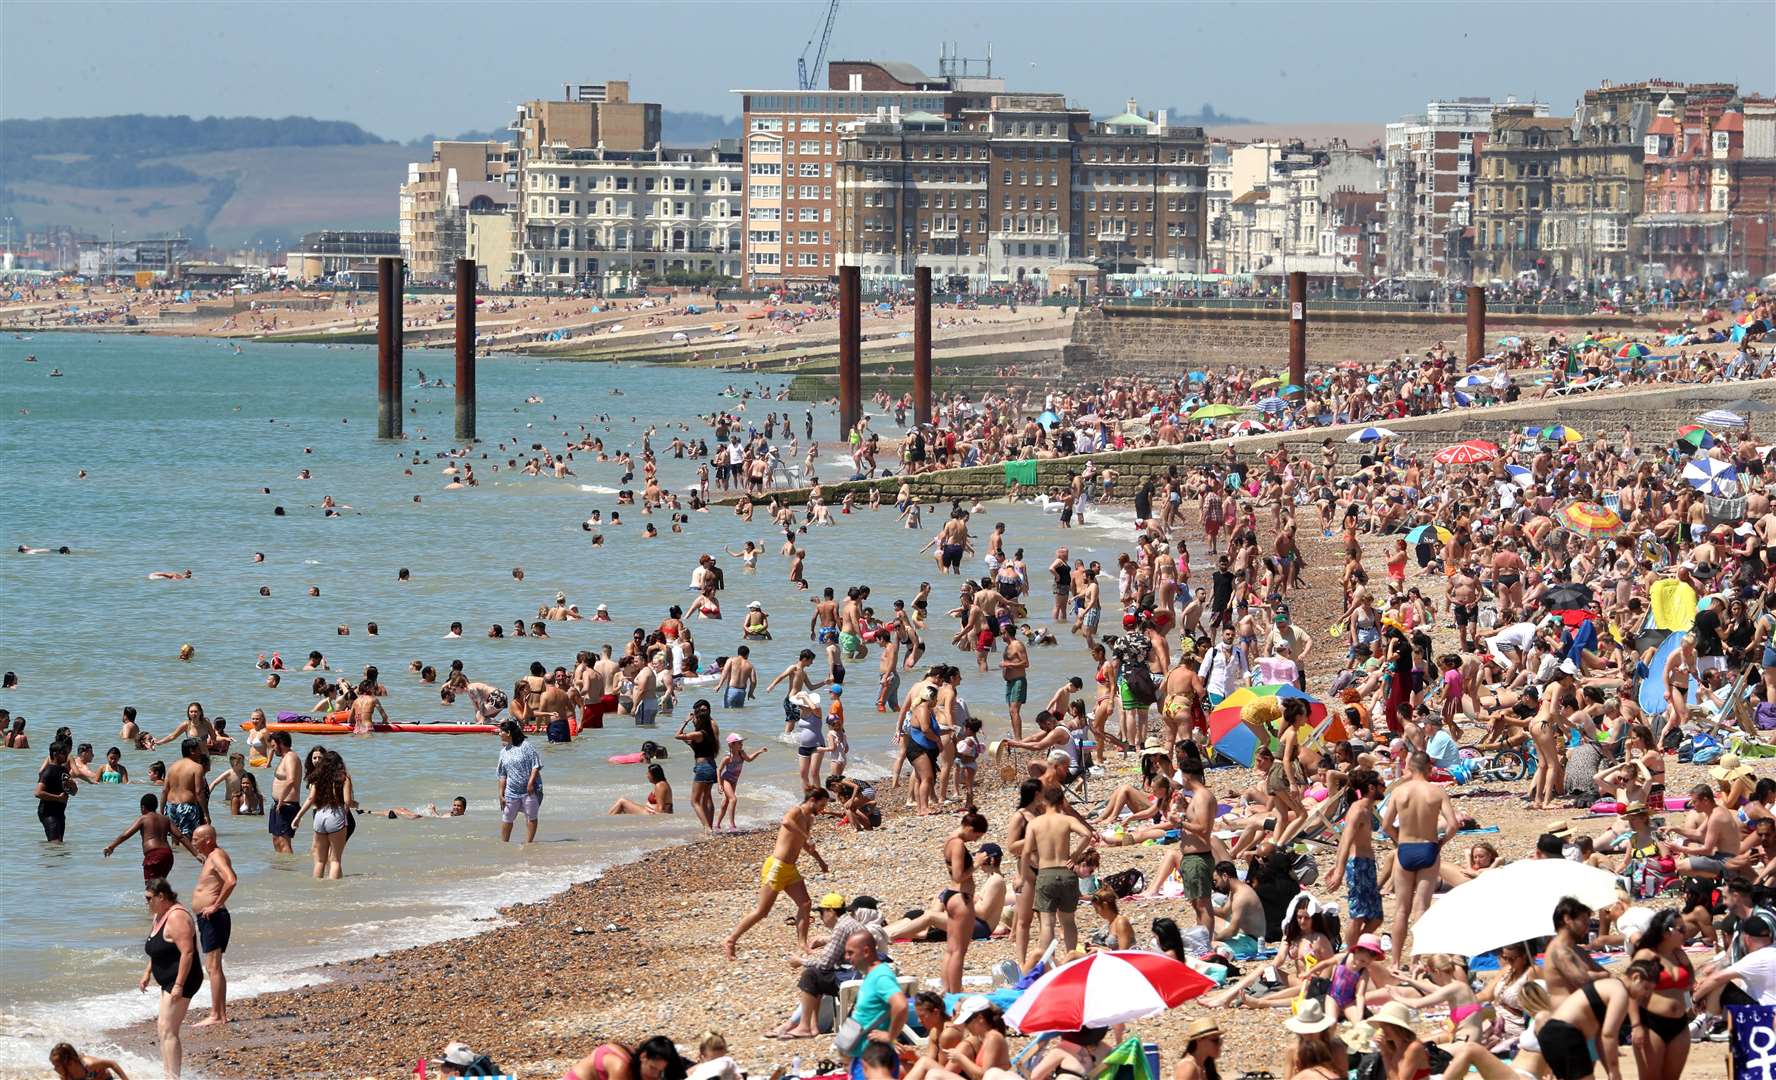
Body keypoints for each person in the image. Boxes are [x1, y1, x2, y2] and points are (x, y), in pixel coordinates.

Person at [724, 786, 830, 958]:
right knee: (762, 911)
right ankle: (731, 939)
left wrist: (821, 861)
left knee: (805, 904)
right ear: (812, 800)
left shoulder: (809, 819)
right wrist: (806, 836)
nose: (823, 809)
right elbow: (786, 822)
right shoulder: (796, 811)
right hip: (777, 866)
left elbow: (804, 844)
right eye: (822, 804)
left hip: (790, 869)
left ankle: (803, 944)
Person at [1384, 750, 1461, 966]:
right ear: (1428, 768)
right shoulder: (1436, 792)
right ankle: (1416, 959)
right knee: (1421, 908)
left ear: (1410, 767)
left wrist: (1399, 841)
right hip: (1428, 847)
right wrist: (1441, 842)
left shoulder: (1400, 792)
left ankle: (1396, 962)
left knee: (1401, 909)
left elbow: (1386, 825)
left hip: (1406, 847)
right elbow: (1453, 825)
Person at [139, 877, 201, 1079]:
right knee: (163, 1029)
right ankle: (169, 1074)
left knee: (169, 1029)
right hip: (168, 979)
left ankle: (173, 1076)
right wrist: (147, 972)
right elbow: (157, 947)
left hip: (182, 979)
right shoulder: (160, 915)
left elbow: (188, 953)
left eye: (149, 898)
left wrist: (179, 985)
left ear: (161, 896)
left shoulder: (177, 917)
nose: (146, 902)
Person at [188, 824, 236, 1027]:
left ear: (208, 839)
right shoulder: (213, 856)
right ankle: (220, 1014)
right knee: (214, 967)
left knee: (213, 967)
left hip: (213, 917)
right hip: (211, 917)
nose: (192, 842)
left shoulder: (216, 856)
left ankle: (216, 1015)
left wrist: (215, 906)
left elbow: (231, 880)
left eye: (195, 839)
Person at [844, 929, 908, 1080]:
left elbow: (901, 1005)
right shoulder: (871, 975)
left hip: (875, 1062)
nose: (847, 957)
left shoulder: (881, 976)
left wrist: (891, 1036)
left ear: (866, 951)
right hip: (863, 1058)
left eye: (851, 953)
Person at [287, 750, 353, 879]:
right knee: (335, 860)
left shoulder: (317, 777)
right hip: (335, 814)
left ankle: (317, 890)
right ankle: (333, 891)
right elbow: (347, 802)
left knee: (319, 861)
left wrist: (298, 817)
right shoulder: (344, 777)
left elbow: (311, 799)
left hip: (319, 815)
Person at [104, 792, 197, 882]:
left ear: (143, 807)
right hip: (168, 856)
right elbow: (181, 837)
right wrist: (196, 854)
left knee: (151, 889)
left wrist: (111, 846)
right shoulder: (166, 819)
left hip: (154, 855)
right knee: (160, 886)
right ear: (156, 806)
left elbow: (125, 835)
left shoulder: (143, 818)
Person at [496, 719, 543, 842]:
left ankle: (529, 843)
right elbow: (502, 775)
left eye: (501, 731)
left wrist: (530, 783)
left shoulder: (525, 746)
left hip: (529, 790)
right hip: (511, 791)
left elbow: (536, 765)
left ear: (509, 733)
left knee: (531, 817)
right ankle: (504, 843)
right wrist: (500, 794)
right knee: (507, 817)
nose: (499, 733)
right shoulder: (503, 752)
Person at [676, 701, 720, 832]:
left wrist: (685, 721)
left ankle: (707, 828)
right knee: (707, 797)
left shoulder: (699, 733)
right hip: (711, 765)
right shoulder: (709, 733)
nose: (693, 719)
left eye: (694, 718)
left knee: (694, 801)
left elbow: (677, 735)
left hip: (703, 768)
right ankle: (710, 826)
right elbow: (694, 744)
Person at [714, 733, 764, 831]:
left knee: (725, 802)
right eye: (739, 743)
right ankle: (732, 825)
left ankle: (717, 825)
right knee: (733, 799)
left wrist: (759, 752)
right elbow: (719, 770)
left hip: (734, 780)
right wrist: (719, 784)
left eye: (741, 742)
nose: (741, 744)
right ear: (731, 745)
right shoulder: (728, 757)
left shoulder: (742, 754)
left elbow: (749, 759)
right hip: (726, 780)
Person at [267, 730, 300, 854]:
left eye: (274, 746)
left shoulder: (291, 757)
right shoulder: (284, 758)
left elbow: (291, 780)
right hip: (279, 804)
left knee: (284, 841)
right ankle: (281, 870)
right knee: (276, 840)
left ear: (281, 743)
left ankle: (289, 869)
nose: (273, 749)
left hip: (287, 805)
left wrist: (281, 800)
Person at [35, 740, 75, 841]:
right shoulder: (48, 771)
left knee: (59, 844)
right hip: (48, 812)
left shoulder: (64, 770)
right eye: (64, 753)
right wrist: (58, 798)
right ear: (55, 754)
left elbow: (73, 792)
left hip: (60, 812)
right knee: (55, 843)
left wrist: (73, 785)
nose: (67, 755)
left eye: (67, 753)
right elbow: (38, 792)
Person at [609, 764, 674, 815]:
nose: (647, 775)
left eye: (648, 773)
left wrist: (654, 813)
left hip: (650, 814)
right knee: (622, 803)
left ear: (654, 775)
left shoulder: (660, 785)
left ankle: (608, 820)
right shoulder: (661, 784)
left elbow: (661, 808)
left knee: (622, 801)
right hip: (648, 811)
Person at [48, 1042, 129, 1080]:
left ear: (70, 1063)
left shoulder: (89, 1065)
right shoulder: (65, 1075)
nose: (54, 1069)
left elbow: (112, 1063)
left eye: (57, 1066)